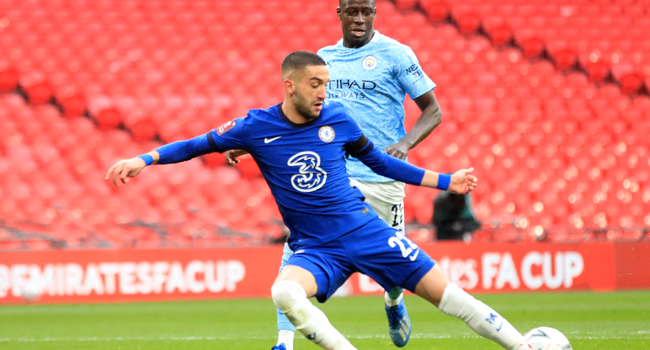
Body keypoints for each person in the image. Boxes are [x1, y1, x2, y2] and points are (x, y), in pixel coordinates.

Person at [106, 51, 525, 350]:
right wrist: (144, 158)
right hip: (316, 248)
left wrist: (445, 180)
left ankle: (523, 346)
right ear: (289, 86)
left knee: (450, 297)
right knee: (284, 294)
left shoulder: (338, 118)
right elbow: (197, 144)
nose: (324, 92)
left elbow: (380, 162)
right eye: (315, 84)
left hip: (365, 231)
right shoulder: (255, 126)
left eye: (326, 83)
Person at [227, 0, 442, 347]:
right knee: (295, 248)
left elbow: (433, 111)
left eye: (366, 12)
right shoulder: (324, 57)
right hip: (334, 174)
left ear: (374, 13)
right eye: (352, 11)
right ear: (339, 13)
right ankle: (284, 342)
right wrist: (252, 142)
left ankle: (393, 300)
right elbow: (299, 110)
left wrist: (405, 144)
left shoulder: (397, 54)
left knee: (396, 267)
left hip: (382, 177)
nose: (359, 18)